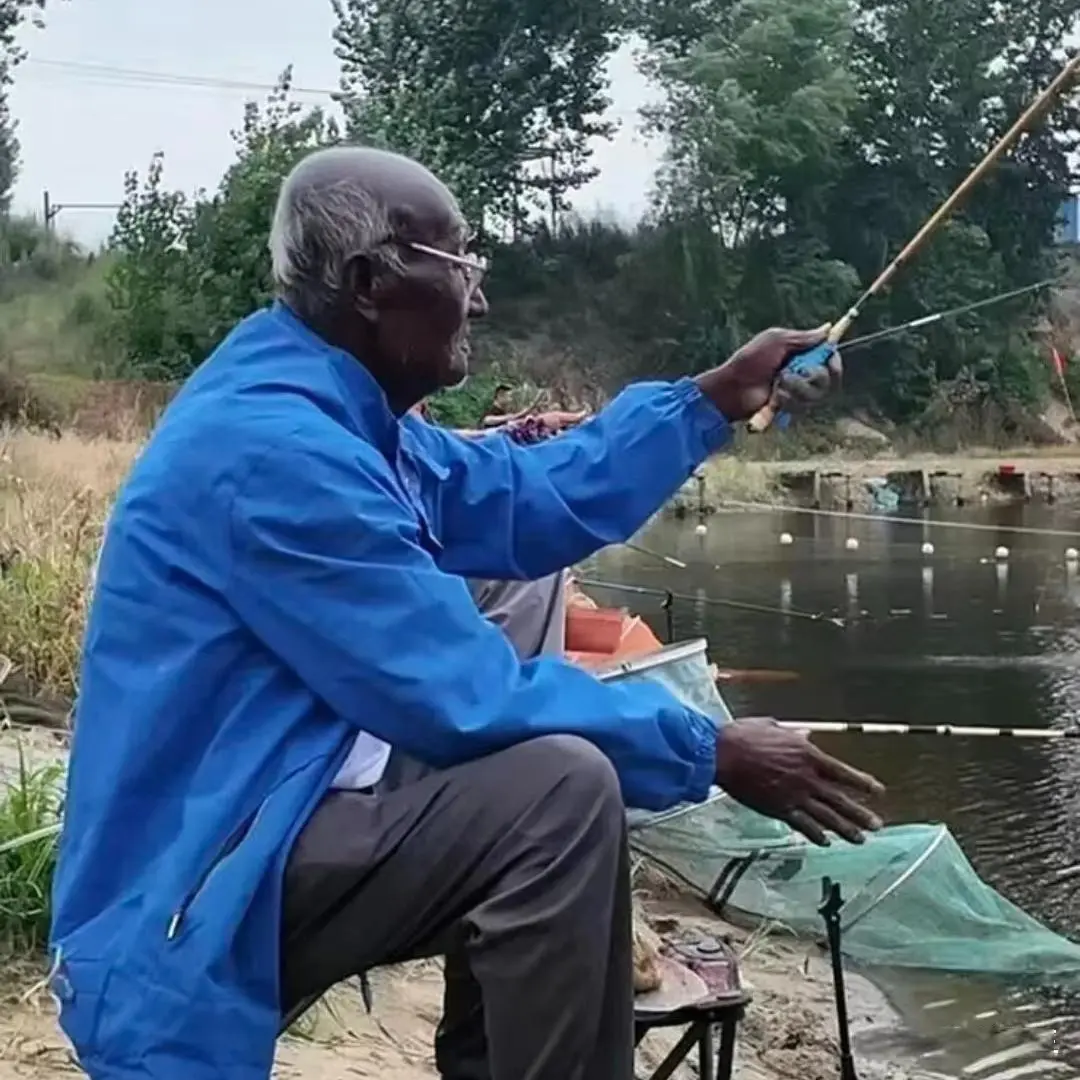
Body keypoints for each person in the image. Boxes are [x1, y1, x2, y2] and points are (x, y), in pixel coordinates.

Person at [51, 146, 882, 1080]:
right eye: (460, 264)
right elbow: (463, 695)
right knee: (558, 796)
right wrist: (711, 750)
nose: (478, 298)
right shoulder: (276, 453)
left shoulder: (337, 412)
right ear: (370, 283)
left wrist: (712, 399)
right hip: (192, 888)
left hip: (271, 810)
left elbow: (526, 495)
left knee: (549, 764)